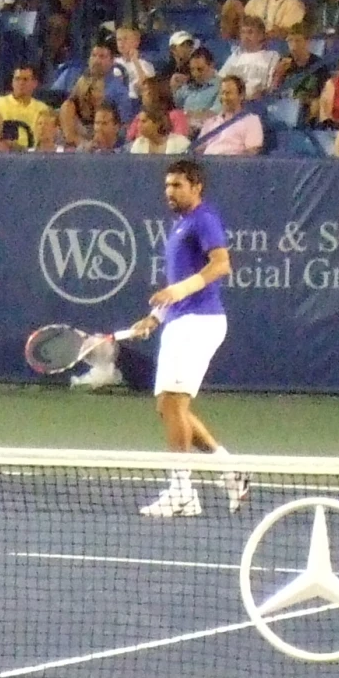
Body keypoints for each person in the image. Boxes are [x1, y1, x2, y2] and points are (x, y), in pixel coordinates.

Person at [128, 160, 245, 518]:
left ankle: (182, 492)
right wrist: (155, 316)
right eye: (167, 186)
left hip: (199, 322)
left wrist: (179, 290)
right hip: (181, 320)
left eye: (177, 185)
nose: (169, 192)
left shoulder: (203, 218)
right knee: (167, 407)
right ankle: (230, 470)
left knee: (174, 406)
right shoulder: (179, 227)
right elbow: (175, 291)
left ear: (196, 187)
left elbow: (222, 264)